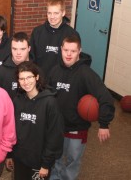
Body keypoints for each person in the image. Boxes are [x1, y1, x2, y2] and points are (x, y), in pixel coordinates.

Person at [48, 35, 115, 180]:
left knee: (73, 161)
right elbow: (47, 96)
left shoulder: (86, 74)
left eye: (73, 51)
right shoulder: (54, 71)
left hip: (77, 128)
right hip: (57, 127)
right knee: (56, 159)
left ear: (80, 51)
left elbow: (106, 97)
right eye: (66, 50)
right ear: (61, 49)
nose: (69, 54)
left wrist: (104, 124)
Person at [6, 61, 64, 179]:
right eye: (21, 79)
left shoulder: (50, 102)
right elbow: (11, 130)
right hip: (20, 158)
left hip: (39, 161)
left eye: (29, 77)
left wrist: (46, 164)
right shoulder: (17, 100)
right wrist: (10, 154)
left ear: (37, 77)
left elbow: (54, 136)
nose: (26, 82)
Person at [30, 0, 80, 77]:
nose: (52, 17)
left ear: (63, 13)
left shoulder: (72, 35)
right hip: (40, 79)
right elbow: (31, 57)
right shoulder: (37, 32)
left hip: (62, 79)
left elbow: (75, 61)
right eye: (49, 13)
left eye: (56, 13)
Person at [0, 31, 32, 99]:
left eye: (22, 49)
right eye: (14, 49)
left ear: (29, 49)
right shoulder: (0, 72)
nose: (18, 53)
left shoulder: (36, 69)